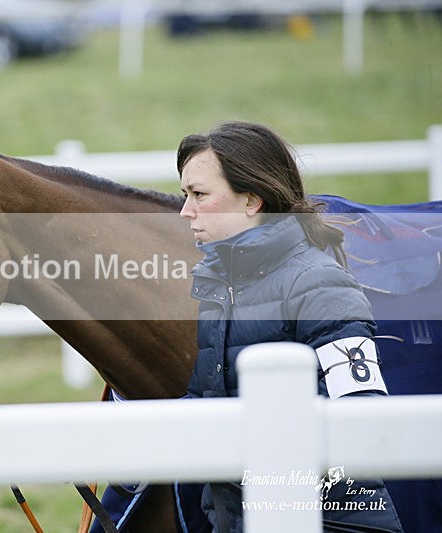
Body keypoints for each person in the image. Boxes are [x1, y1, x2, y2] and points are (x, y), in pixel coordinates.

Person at [176, 121, 404, 533]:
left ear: (252, 199)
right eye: (184, 195)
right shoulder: (218, 287)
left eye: (199, 194)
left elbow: (363, 416)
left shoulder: (316, 280)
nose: (185, 211)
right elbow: (208, 407)